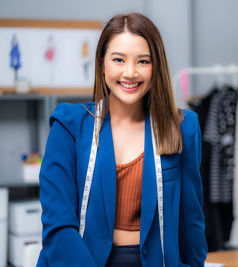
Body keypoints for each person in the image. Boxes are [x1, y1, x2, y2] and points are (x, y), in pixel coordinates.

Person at [37, 13, 207, 267]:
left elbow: (190, 223)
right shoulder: (69, 126)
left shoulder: (181, 128)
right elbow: (58, 225)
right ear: (102, 63)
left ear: (156, 66)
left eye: (143, 61)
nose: (130, 72)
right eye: (119, 59)